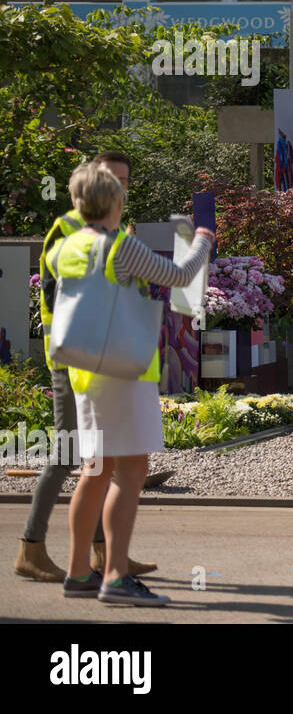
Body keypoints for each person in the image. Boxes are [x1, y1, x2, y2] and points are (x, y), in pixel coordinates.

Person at [51, 162, 213, 606]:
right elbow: (181, 278)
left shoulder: (66, 247)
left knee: (96, 469)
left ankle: (78, 571)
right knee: (132, 470)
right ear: (115, 202)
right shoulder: (119, 246)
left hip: (85, 373)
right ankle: (117, 576)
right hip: (123, 372)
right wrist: (201, 241)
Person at [14, 151, 153, 584]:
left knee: (97, 459)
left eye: (126, 180)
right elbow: (71, 300)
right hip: (75, 361)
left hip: (98, 361)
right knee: (70, 453)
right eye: (114, 179)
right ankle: (31, 549)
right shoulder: (71, 229)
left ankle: (105, 555)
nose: (121, 188)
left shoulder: (111, 233)